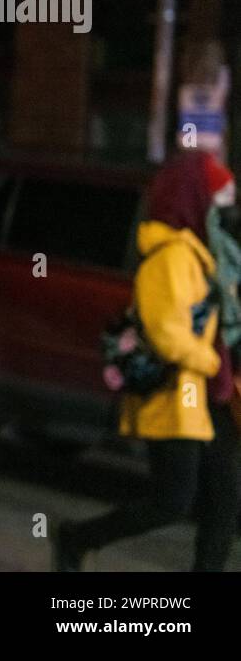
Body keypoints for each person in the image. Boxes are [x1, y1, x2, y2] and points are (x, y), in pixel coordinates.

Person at [54, 152, 240, 571]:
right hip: (181, 393)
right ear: (195, 200)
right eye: (221, 197)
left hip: (210, 393)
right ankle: (78, 537)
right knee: (172, 501)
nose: (228, 208)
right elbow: (166, 332)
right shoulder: (172, 258)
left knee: (225, 501)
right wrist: (210, 361)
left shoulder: (208, 255)